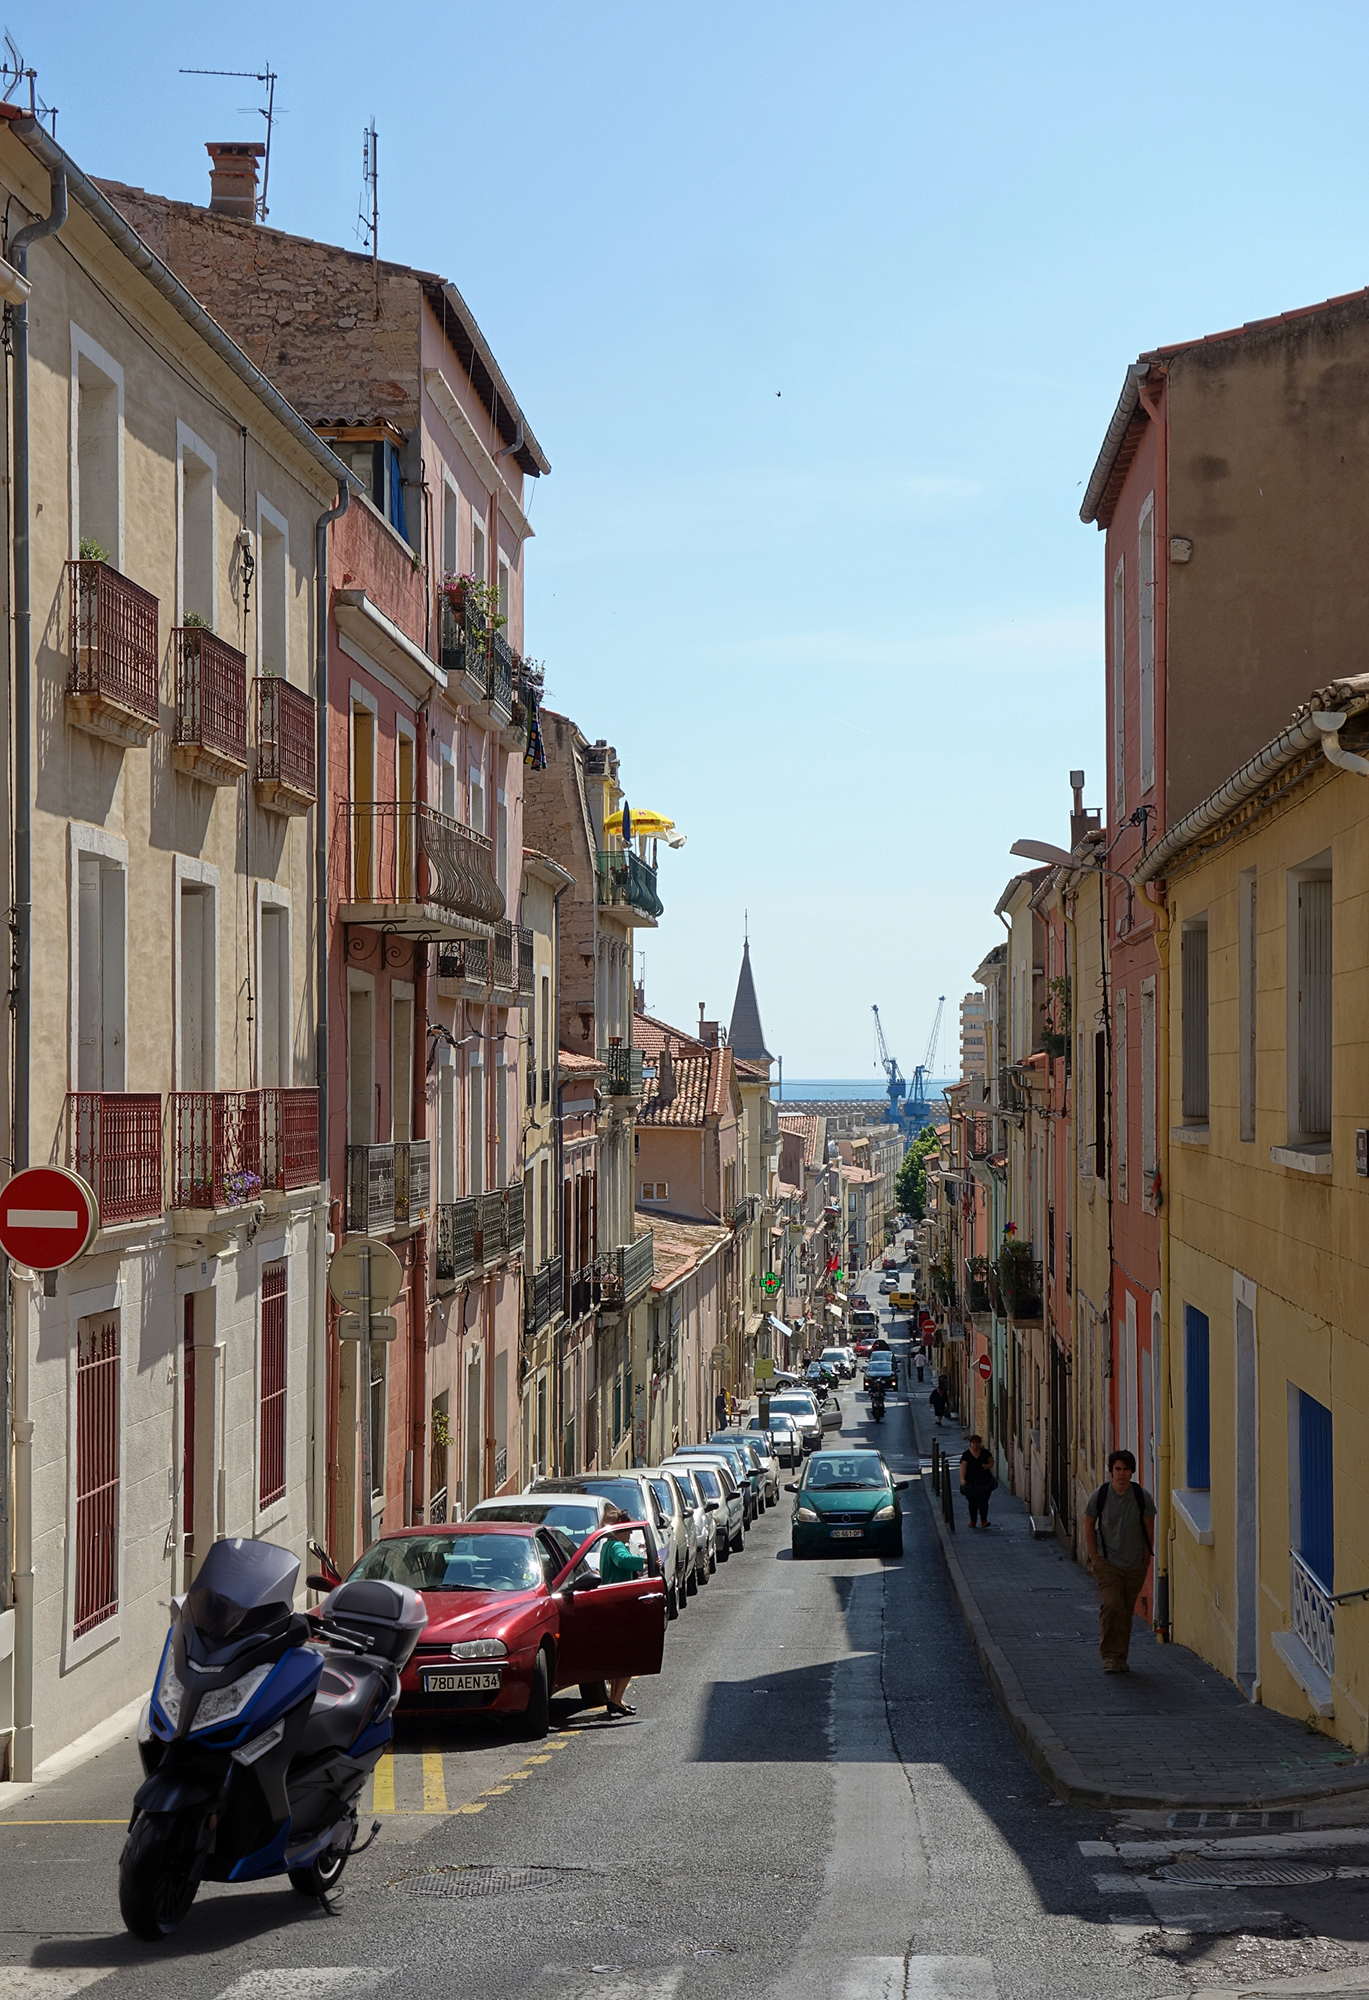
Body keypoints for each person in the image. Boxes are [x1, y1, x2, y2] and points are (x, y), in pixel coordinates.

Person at [1084, 1449, 1157, 1674]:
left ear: (1132, 1471)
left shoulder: (1141, 1496)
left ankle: (1120, 1657)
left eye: (1126, 1469)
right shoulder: (1100, 1495)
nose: (1122, 1473)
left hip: (1135, 1564)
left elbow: (1149, 1527)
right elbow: (1088, 1524)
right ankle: (1109, 1656)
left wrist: (1146, 1557)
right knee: (1112, 1605)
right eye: (1117, 1469)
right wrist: (1095, 1556)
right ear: (1111, 1470)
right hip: (1107, 1562)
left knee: (1125, 1611)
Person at [598, 1529, 648, 1716]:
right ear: (619, 1531)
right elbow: (622, 1560)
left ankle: (615, 1699)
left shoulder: (606, 1545)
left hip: (611, 1604)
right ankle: (616, 1698)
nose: (630, 1535)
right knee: (629, 1657)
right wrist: (644, 1561)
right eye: (628, 1531)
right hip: (620, 1605)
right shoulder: (617, 1546)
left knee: (617, 1657)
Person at [959, 1434, 996, 1528]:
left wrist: (988, 1466)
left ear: (980, 1443)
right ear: (970, 1443)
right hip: (971, 1482)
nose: (975, 1444)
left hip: (985, 1481)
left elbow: (991, 1461)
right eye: (973, 1442)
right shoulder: (966, 1455)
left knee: (983, 1501)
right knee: (972, 1502)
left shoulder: (985, 1453)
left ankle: (984, 1520)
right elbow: (963, 1467)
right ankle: (973, 1521)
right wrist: (962, 1479)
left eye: (977, 1442)